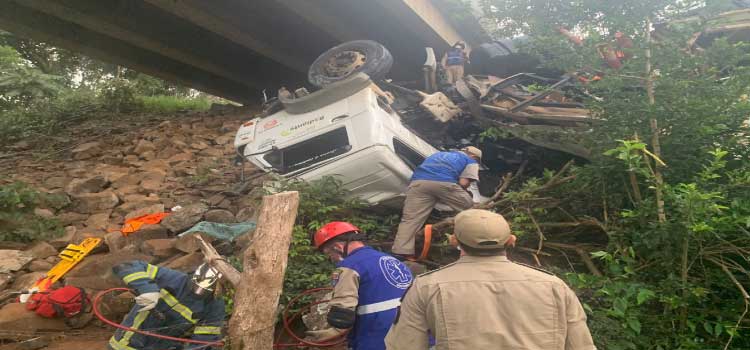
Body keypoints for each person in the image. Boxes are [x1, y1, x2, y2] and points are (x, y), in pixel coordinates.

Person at [385, 209, 596, 350]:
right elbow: (582, 346)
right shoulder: (554, 285)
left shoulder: (426, 287)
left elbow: (404, 346)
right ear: (511, 241)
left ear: (454, 241)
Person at [307, 221, 414, 350]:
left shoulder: (349, 266)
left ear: (338, 247)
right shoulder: (392, 260)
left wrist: (334, 331)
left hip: (377, 336)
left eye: (329, 254)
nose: (332, 259)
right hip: (414, 333)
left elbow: (343, 312)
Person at [107, 261, 225, 350]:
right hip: (123, 344)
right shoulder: (173, 279)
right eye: (196, 286)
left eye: (204, 291)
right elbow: (127, 266)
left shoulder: (214, 308)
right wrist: (148, 289)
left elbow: (204, 341)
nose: (197, 292)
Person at [391, 146, 482, 258]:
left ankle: (401, 252)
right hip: (444, 183)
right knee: (470, 208)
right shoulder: (471, 161)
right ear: (474, 156)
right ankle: (477, 240)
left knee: (410, 219)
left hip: (418, 183)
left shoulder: (437, 154)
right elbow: (463, 183)